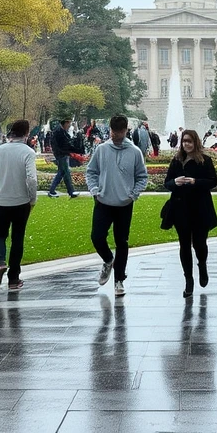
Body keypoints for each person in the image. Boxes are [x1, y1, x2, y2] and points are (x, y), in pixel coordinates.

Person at [86, 115, 148, 297]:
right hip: (103, 201)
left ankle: (119, 279)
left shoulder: (134, 152)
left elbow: (142, 176)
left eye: (119, 132)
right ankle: (108, 260)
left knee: (122, 241)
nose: (115, 135)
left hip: (124, 203)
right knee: (97, 237)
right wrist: (95, 190)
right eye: (113, 132)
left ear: (125, 131)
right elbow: (91, 171)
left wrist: (133, 194)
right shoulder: (102, 149)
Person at [164, 129, 217, 297]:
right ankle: (188, 280)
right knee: (184, 245)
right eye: (184, 141)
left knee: (199, 244)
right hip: (181, 208)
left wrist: (195, 182)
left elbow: (213, 182)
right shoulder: (176, 161)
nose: (186, 144)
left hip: (200, 208)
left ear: (195, 142)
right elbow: (167, 183)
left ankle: (202, 265)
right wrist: (175, 182)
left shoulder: (205, 161)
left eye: (189, 141)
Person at [0, 119, 38, 290]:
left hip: (2, 200)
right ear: (26, 133)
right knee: (17, 238)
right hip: (20, 201)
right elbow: (31, 179)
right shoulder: (28, 152)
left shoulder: (0, 150)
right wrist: (32, 199)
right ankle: (14, 278)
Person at [47, 117, 80, 199]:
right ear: (65, 123)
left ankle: (71, 191)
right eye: (69, 123)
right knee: (63, 172)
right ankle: (52, 191)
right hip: (61, 155)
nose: (69, 125)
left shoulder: (59, 130)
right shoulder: (59, 132)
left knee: (64, 173)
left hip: (61, 155)